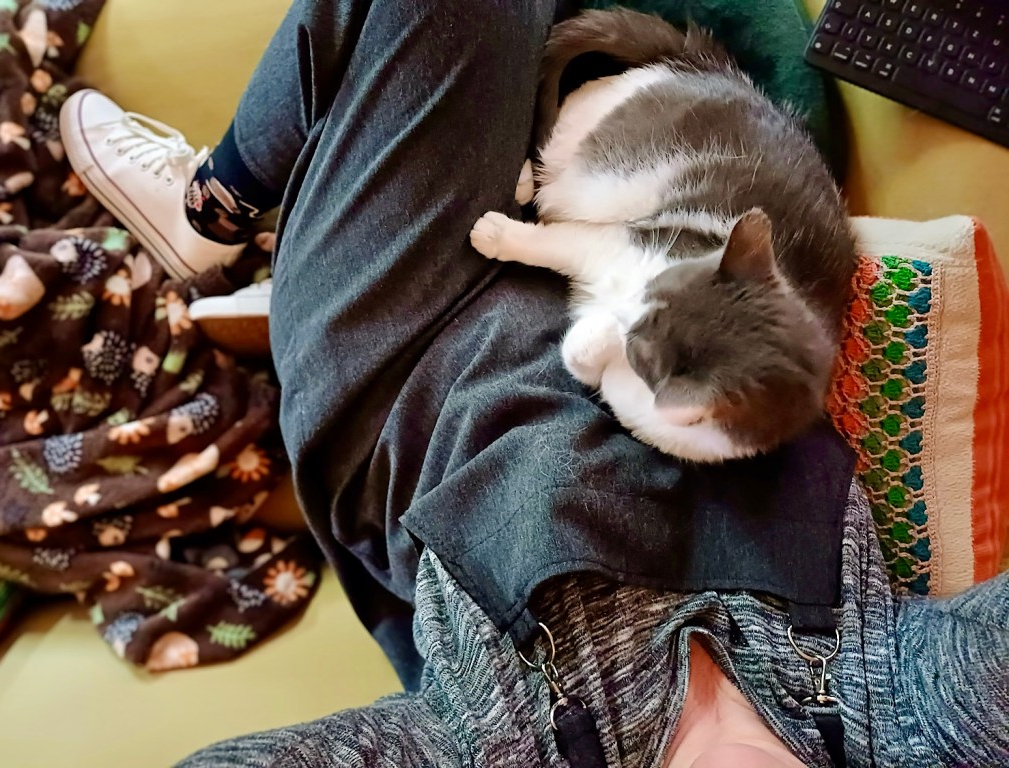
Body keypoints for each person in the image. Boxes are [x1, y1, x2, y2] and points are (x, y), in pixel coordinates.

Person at [59, 1, 1009, 766]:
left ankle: (211, 210)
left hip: (397, 372)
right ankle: (255, 215)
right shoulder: (915, 711)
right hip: (623, 267)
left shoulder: (501, 750)